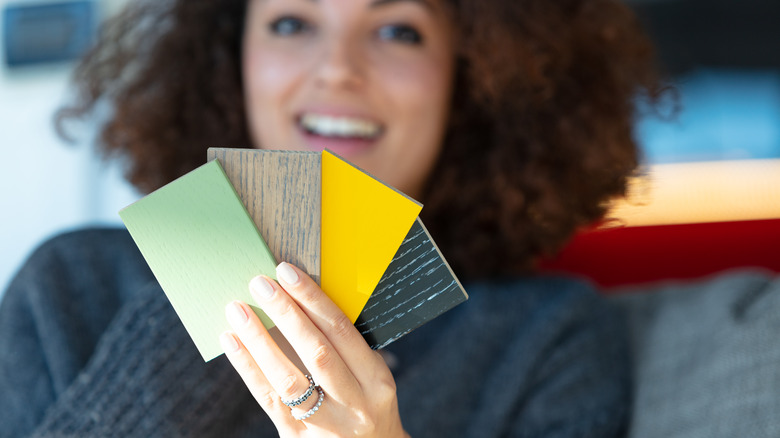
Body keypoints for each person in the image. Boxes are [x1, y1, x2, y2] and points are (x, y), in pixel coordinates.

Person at [0, 0, 663, 436]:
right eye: (291, 22)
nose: (338, 69)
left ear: (475, 77)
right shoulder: (69, 283)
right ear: (230, 62)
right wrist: (209, 289)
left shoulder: (551, 338)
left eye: (398, 30)